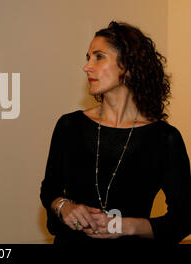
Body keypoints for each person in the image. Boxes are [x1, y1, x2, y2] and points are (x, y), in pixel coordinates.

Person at [40, 21, 191, 245]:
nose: (87, 67)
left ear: (128, 65)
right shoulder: (70, 126)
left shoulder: (164, 138)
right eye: (88, 57)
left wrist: (126, 226)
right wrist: (65, 207)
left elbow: (183, 219)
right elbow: (50, 190)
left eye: (99, 57)